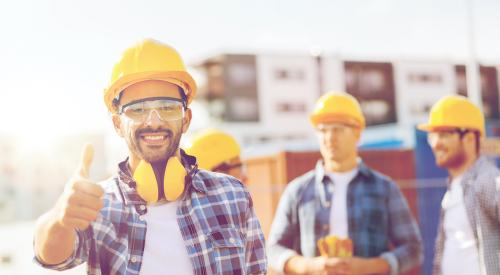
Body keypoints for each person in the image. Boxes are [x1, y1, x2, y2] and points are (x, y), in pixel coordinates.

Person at [33, 39, 267, 275]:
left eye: (168, 107)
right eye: (137, 109)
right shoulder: (98, 204)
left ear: (186, 119)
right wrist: (60, 218)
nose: (154, 121)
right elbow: (50, 258)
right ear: (117, 124)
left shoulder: (232, 195)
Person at [267, 92, 423, 275]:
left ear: (357, 133)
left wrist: (371, 267)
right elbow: (273, 249)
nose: (330, 138)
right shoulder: (297, 191)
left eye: (338, 130)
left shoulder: (385, 189)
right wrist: (308, 267)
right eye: (323, 130)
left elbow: (413, 248)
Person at [418, 95, 500, 275]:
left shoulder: (486, 181)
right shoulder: (454, 187)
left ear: (470, 138)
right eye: (432, 135)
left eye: (444, 134)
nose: (435, 143)